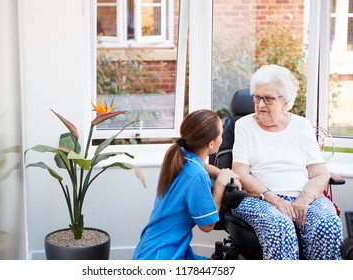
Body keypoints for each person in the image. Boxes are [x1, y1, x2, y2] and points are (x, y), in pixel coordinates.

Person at [231, 64, 343, 260]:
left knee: (328, 224)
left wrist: (305, 198)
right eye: (257, 97)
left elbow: (320, 173)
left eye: (268, 98)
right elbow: (240, 172)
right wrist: (274, 199)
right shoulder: (244, 125)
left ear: (286, 101)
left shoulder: (302, 125)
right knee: (280, 226)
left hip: (303, 196)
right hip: (259, 198)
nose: (261, 104)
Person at [132, 109, 240, 260]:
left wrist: (220, 173)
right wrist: (221, 184)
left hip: (154, 247)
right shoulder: (196, 175)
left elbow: (202, 166)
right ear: (211, 144)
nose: (222, 138)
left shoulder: (180, 154)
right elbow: (207, 226)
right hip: (162, 256)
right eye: (220, 135)